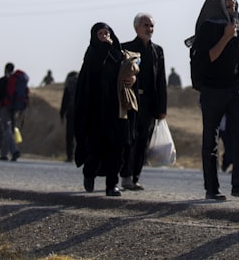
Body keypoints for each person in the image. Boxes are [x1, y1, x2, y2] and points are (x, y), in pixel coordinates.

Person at [188, 0, 239, 201]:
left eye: (233, 0)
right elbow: (209, 56)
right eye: (227, 0)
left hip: (235, 88)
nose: (231, 3)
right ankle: (212, 188)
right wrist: (226, 37)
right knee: (211, 140)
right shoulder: (209, 27)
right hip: (212, 90)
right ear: (218, 3)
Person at [74, 22, 134, 196]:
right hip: (96, 110)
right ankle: (89, 173)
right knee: (96, 148)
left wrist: (132, 81)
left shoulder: (118, 54)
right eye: (100, 33)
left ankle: (111, 185)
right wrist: (103, 49)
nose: (104, 36)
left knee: (117, 147)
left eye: (106, 33)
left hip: (117, 109)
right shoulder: (92, 53)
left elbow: (127, 74)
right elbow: (92, 70)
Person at [120, 12, 168, 192]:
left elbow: (161, 81)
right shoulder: (126, 48)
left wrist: (162, 108)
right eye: (146, 25)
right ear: (136, 28)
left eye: (151, 26)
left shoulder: (157, 51)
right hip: (130, 101)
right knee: (129, 139)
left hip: (149, 103)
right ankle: (125, 175)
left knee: (142, 140)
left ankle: (135, 176)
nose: (149, 29)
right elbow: (121, 73)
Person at [59, 70, 78, 162]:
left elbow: (64, 100)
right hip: (80, 112)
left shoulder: (69, 84)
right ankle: (80, 156)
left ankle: (69, 156)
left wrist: (62, 114)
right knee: (79, 135)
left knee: (69, 135)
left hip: (70, 112)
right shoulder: (82, 82)